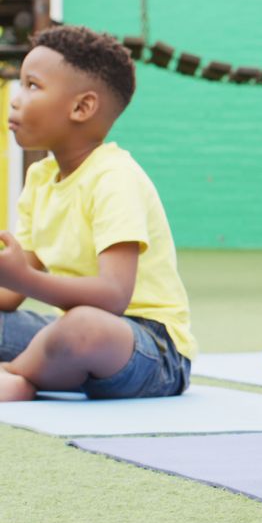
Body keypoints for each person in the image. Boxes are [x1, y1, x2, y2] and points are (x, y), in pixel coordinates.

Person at [0, 26, 195, 401]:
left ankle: (18, 375)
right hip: (68, 337)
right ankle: (45, 370)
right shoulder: (40, 177)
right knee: (69, 329)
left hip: (150, 350)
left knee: (83, 327)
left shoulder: (114, 177)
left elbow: (112, 297)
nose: (15, 98)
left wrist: (23, 278)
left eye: (32, 86)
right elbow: (10, 294)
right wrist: (14, 276)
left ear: (82, 107)